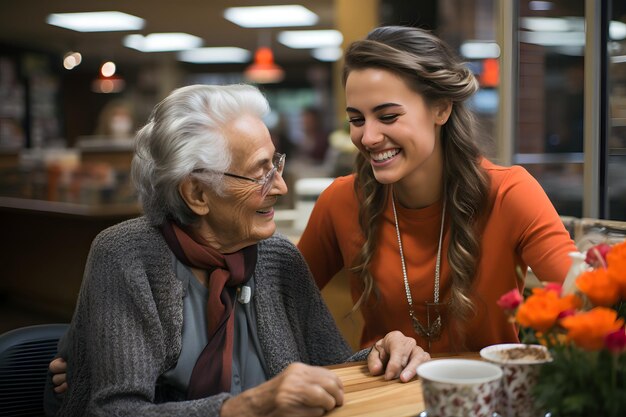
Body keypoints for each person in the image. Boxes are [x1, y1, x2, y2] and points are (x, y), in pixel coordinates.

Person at [46, 84, 429, 416]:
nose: (279, 187)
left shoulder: (279, 258)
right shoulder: (125, 256)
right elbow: (114, 411)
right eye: (261, 173)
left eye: (275, 164)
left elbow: (330, 367)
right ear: (197, 193)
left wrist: (381, 355)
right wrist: (245, 408)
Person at [296, 26, 577, 354]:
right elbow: (277, 310)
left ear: (441, 109)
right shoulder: (341, 202)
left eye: (387, 116)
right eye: (357, 120)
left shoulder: (509, 194)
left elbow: (587, 303)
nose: (368, 137)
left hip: (483, 399)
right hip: (384, 399)